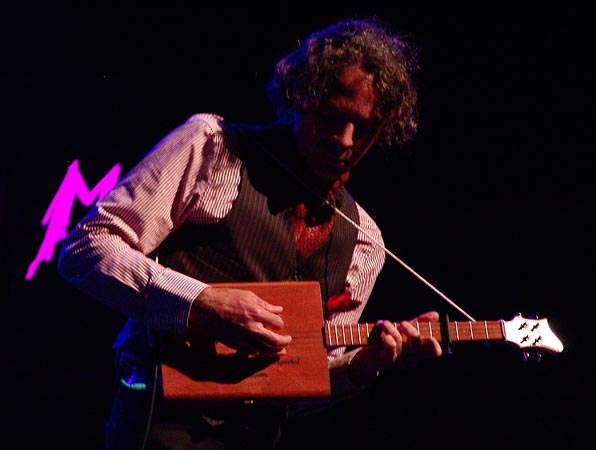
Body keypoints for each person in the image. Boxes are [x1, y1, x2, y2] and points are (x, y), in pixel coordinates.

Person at [58, 16, 443, 450]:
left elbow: (298, 386)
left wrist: (362, 366)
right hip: (157, 427)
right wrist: (201, 303)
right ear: (301, 95)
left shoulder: (364, 242)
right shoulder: (213, 147)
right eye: (332, 116)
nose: (346, 140)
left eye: (366, 128)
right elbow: (86, 249)